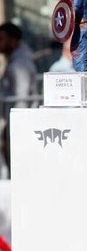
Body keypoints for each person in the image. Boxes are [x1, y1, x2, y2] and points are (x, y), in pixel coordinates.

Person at [0, 22, 37, 175]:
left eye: (2, 39)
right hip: (14, 122)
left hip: (18, 123)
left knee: (17, 169)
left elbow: (22, 98)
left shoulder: (20, 63)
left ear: (13, 40)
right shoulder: (16, 60)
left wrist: (16, 127)